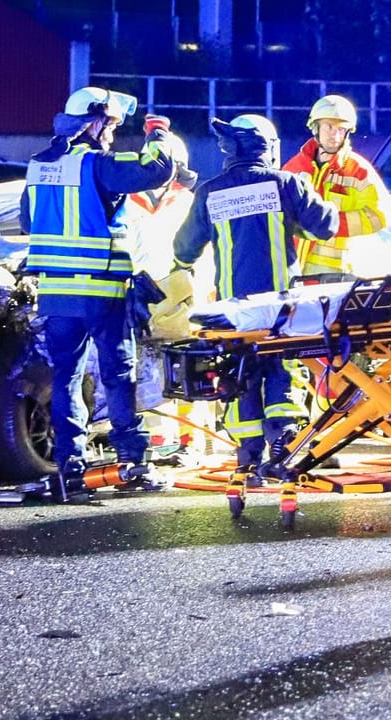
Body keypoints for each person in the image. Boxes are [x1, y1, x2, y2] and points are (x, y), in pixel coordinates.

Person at [173, 114, 339, 508]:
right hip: (282, 313)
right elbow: (326, 226)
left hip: (234, 315)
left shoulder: (211, 192)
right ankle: (282, 441)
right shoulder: (286, 184)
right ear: (267, 148)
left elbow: (184, 250)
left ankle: (247, 454)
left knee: (240, 377)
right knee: (282, 371)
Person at [23, 86, 178, 500]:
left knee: (66, 379)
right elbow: (156, 169)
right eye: (109, 124)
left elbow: (27, 219)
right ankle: (133, 462)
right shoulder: (97, 165)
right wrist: (158, 132)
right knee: (117, 376)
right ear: (92, 123)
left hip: (55, 295)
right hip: (101, 293)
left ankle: (69, 469)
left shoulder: (39, 167)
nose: (111, 132)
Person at [124, 117, 207, 459]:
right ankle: (157, 440)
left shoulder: (188, 200)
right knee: (145, 369)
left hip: (183, 292)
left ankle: (190, 440)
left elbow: (204, 251)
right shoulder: (127, 200)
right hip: (142, 293)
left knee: (187, 367)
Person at [283, 94, 388, 277]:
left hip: (337, 275)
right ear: (315, 128)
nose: (335, 135)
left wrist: (330, 224)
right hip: (293, 267)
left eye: (342, 129)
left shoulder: (358, 170)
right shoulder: (294, 167)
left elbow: (379, 216)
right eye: (329, 127)